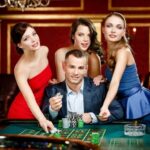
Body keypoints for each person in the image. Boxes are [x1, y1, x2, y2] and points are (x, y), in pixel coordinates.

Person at [42, 49, 124, 124]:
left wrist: (92, 117)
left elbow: (118, 112)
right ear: (64, 66)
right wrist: (52, 110)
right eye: (72, 67)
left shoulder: (99, 88)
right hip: (63, 138)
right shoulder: (52, 91)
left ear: (86, 69)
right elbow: (43, 117)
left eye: (80, 68)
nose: (76, 72)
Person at [99, 12, 150, 123]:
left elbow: (116, 81)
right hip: (123, 100)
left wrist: (105, 106)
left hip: (137, 102)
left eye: (119, 27)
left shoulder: (123, 51)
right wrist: (103, 78)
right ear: (103, 29)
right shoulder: (110, 51)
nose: (113, 30)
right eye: (109, 26)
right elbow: (113, 78)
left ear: (123, 32)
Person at [7, 22, 54, 133]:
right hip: (21, 114)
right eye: (26, 38)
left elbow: (43, 80)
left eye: (34, 34)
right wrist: (42, 119)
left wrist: (51, 83)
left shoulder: (44, 50)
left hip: (40, 110)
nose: (34, 39)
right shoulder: (20, 69)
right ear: (19, 44)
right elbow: (30, 100)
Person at [55, 18, 104, 82]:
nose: (85, 39)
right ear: (73, 36)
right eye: (81, 35)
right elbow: (62, 85)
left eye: (89, 35)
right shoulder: (60, 53)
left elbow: (94, 89)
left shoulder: (93, 58)